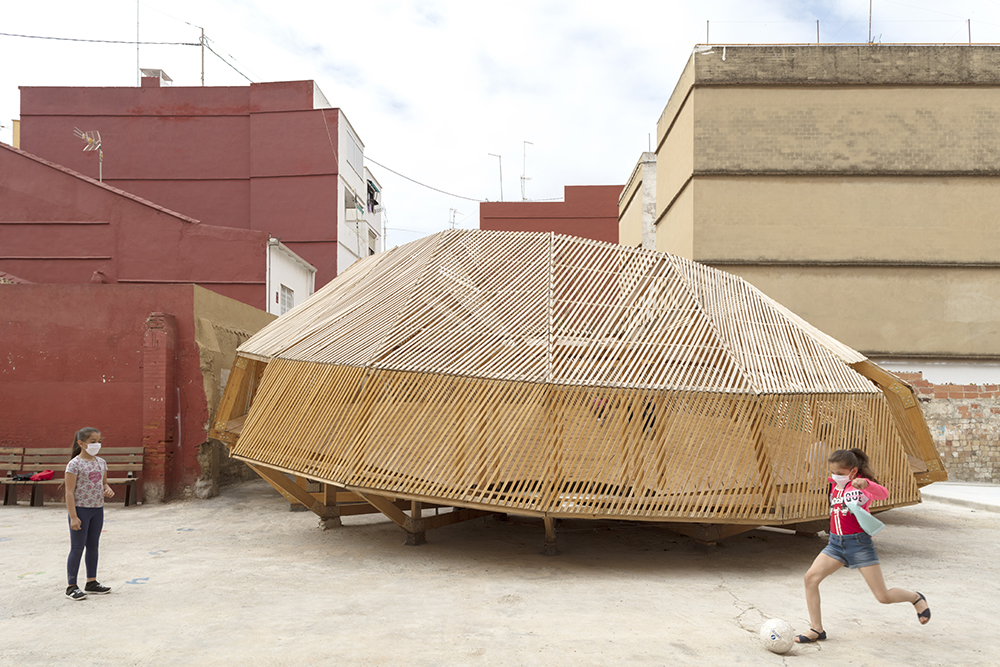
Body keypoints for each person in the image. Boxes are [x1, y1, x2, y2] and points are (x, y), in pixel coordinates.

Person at [795, 448, 931, 643]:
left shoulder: (860, 488)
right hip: (835, 544)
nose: (835, 476)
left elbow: (883, 494)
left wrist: (867, 484)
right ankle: (817, 629)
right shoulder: (835, 485)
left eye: (840, 473)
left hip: (858, 544)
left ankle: (915, 598)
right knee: (810, 578)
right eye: (832, 472)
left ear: (853, 471)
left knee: (882, 596)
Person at [64, 427, 114, 600]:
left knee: (93, 546)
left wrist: (107, 489)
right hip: (80, 510)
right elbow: (69, 492)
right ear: (81, 443)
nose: (97, 444)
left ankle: (91, 582)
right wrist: (73, 517)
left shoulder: (101, 462)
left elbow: (104, 482)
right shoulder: (74, 464)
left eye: (99, 441)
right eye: (93, 441)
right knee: (77, 548)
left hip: (97, 510)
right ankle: (71, 587)